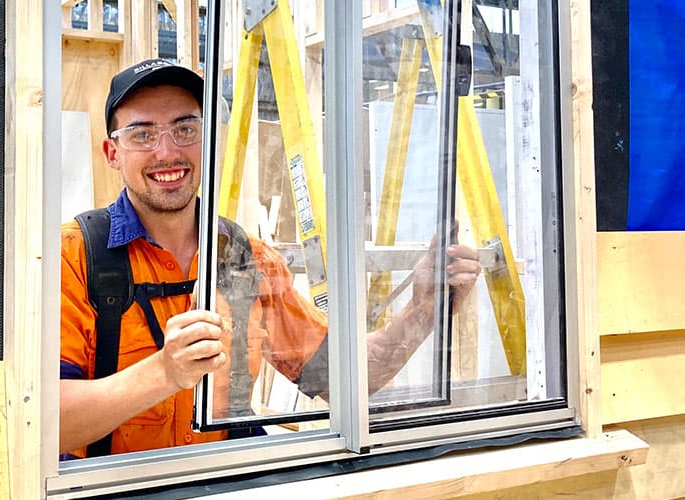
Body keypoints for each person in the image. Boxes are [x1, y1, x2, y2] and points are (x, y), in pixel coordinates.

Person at [59, 59, 482, 458]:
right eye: (142, 134)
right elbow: (48, 423)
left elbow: (344, 380)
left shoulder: (245, 260)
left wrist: (424, 310)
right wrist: (165, 373)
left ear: (206, 141)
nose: (167, 152)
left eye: (185, 129)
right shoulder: (76, 256)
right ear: (112, 153)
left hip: (228, 484)